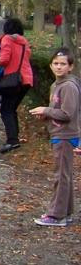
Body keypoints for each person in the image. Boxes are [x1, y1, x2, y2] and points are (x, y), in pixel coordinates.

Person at [29, 48, 79, 226]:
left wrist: (46, 110)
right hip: (58, 133)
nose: (59, 67)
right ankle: (66, 211)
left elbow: (67, 114)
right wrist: (46, 115)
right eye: (56, 63)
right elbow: (56, 110)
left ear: (70, 67)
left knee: (61, 176)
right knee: (65, 174)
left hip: (65, 135)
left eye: (63, 64)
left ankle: (56, 216)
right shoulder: (56, 85)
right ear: (51, 65)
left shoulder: (69, 87)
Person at [0, 17, 33, 154]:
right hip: (26, 79)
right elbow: (25, 57)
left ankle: (12, 141)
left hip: (12, 80)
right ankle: (14, 137)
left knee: (6, 110)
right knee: (11, 108)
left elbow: (5, 60)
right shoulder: (24, 42)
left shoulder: (7, 39)